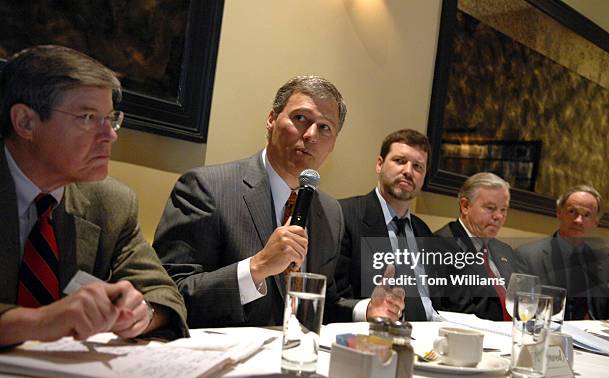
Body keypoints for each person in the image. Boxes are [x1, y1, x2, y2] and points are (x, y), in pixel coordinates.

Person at [0, 45, 188, 346]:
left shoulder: (111, 202)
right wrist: (36, 323)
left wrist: (140, 313)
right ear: (25, 122)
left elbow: (163, 295)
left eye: (111, 118)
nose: (110, 135)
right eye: (88, 117)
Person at [153, 75, 357, 327]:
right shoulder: (206, 187)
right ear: (271, 119)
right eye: (301, 118)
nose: (311, 135)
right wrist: (256, 267)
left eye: (325, 127)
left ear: (333, 144)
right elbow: (168, 295)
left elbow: (323, 305)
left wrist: (368, 310)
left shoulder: (330, 212)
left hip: (298, 358)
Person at [336, 129, 442, 322]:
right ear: (379, 164)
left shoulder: (423, 231)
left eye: (418, 167)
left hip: (432, 335)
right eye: (400, 161)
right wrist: (367, 309)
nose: (408, 171)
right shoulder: (344, 216)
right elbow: (332, 297)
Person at [435, 172, 526, 321]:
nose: (499, 217)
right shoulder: (442, 246)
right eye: (490, 208)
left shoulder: (505, 250)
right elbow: (460, 310)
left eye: (503, 210)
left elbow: (520, 301)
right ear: (465, 206)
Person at [517, 185, 609, 320]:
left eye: (587, 215)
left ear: (596, 222)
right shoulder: (527, 257)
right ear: (559, 212)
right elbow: (522, 311)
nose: (578, 220)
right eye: (572, 211)